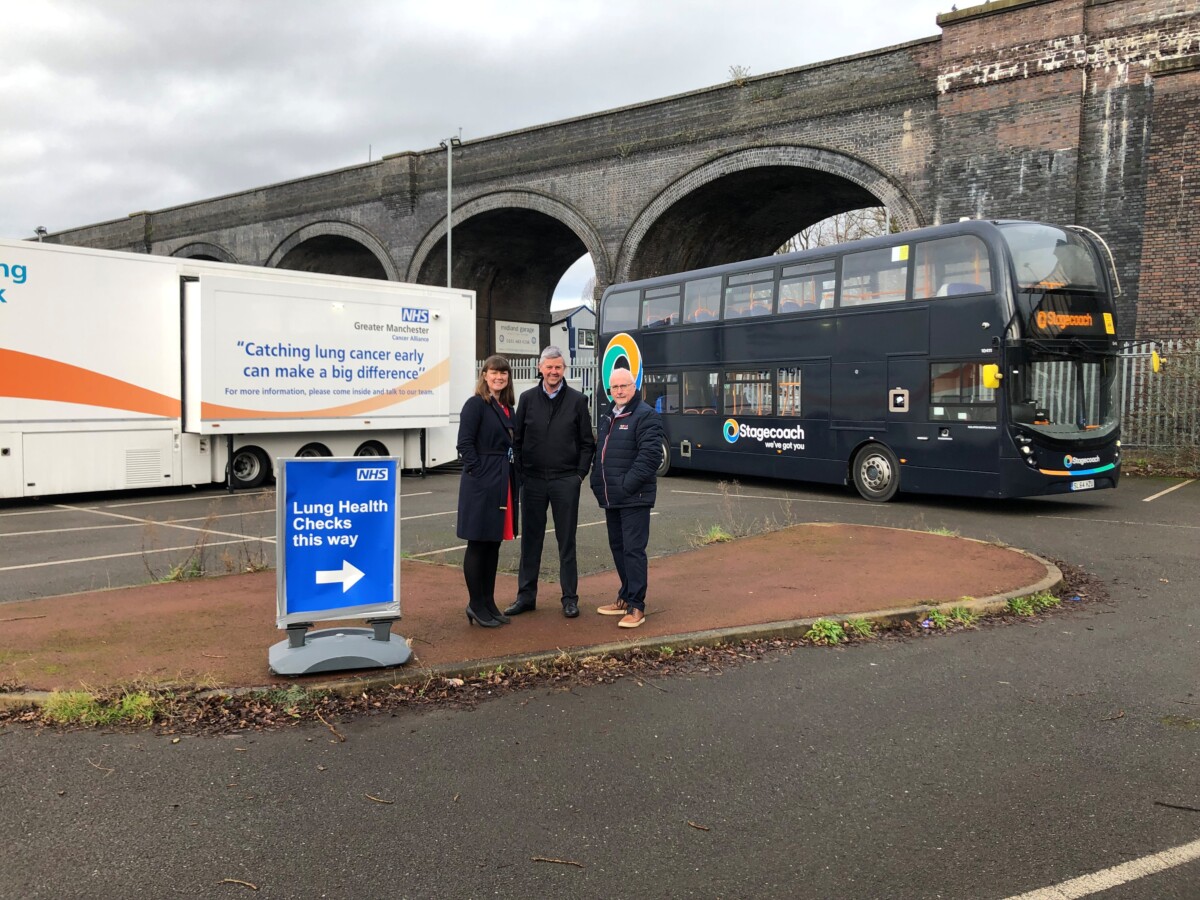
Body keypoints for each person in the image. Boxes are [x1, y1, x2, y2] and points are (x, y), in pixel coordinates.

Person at [505, 346, 596, 619]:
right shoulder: (527, 399)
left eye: (558, 367)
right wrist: (521, 474)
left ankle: (569, 598)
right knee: (530, 542)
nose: (553, 372)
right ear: (539, 368)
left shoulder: (578, 401)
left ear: (564, 369)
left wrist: (578, 476)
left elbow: (586, 443)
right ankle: (526, 597)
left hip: (565, 481)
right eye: (549, 367)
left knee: (566, 541)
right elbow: (517, 440)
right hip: (532, 481)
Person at [590, 367, 664, 628]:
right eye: (614, 387)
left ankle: (636, 606)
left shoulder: (646, 416)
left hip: (634, 497)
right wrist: (596, 481)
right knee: (618, 548)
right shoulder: (610, 414)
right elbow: (600, 451)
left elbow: (650, 458)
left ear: (634, 386)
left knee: (633, 551)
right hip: (613, 497)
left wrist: (625, 485)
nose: (619, 391)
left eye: (624, 386)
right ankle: (624, 595)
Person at [455, 355, 519, 628]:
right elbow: (465, 444)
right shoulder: (475, 405)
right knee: (478, 544)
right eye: (494, 372)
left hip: (501, 480)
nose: (499, 377)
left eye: (503, 373)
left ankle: (489, 602)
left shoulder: (507, 408)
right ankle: (475, 604)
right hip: (482, 483)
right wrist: (480, 473)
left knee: (493, 544)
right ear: (484, 375)